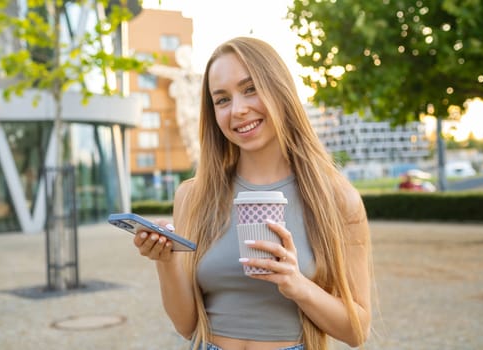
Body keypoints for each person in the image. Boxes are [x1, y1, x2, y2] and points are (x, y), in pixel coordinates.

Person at [133, 37, 373, 350]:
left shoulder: (336, 197)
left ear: (280, 90)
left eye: (250, 89)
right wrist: (164, 261)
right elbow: (185, 324)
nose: (239, 110)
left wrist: (296, 284)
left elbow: (357, 331)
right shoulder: (193, 196)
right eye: (222, 100)